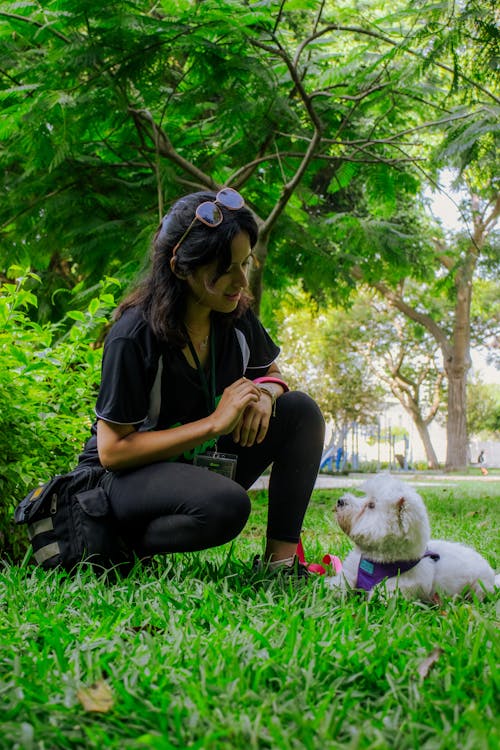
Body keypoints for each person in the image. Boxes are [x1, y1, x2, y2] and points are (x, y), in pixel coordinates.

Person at [77, 188, 325, 576]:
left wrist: (265, 393)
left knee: (300, 412)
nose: (240, 281)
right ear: (181, 267)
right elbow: (113, 451)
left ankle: (282, 563)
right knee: (227, 506)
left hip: (192, 462)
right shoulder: (133, 335)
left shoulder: (234, 314)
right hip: (121, 480)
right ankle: (120, 542)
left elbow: (273, 375)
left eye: (244, 264)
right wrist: (213, 424)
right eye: (224, 269)